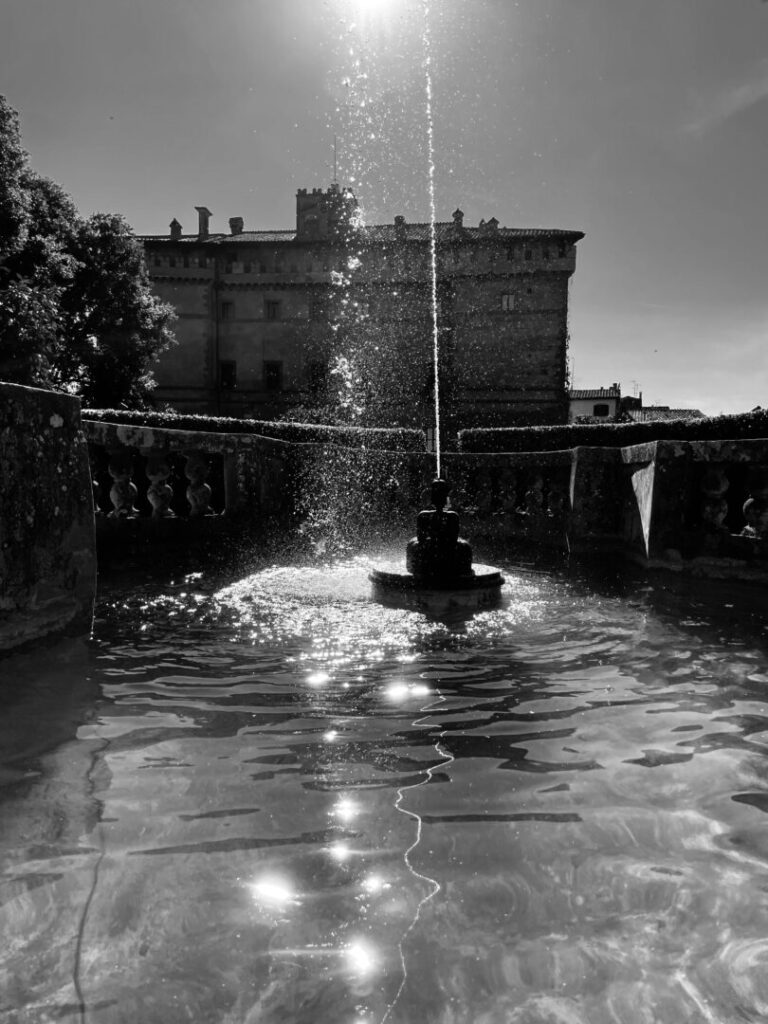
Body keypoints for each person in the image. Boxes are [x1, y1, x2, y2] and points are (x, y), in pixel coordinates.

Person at [406, 478, 473, 579]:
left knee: (414, 544)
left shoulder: (427, 515)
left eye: (441, 495)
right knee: (464, 547)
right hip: (443, 551)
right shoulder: (449, 516)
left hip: (436, 550)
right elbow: (452, 538)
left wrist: (435, 539)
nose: (439, 498)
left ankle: (422, 566)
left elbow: (452, 538)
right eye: (436, 494)